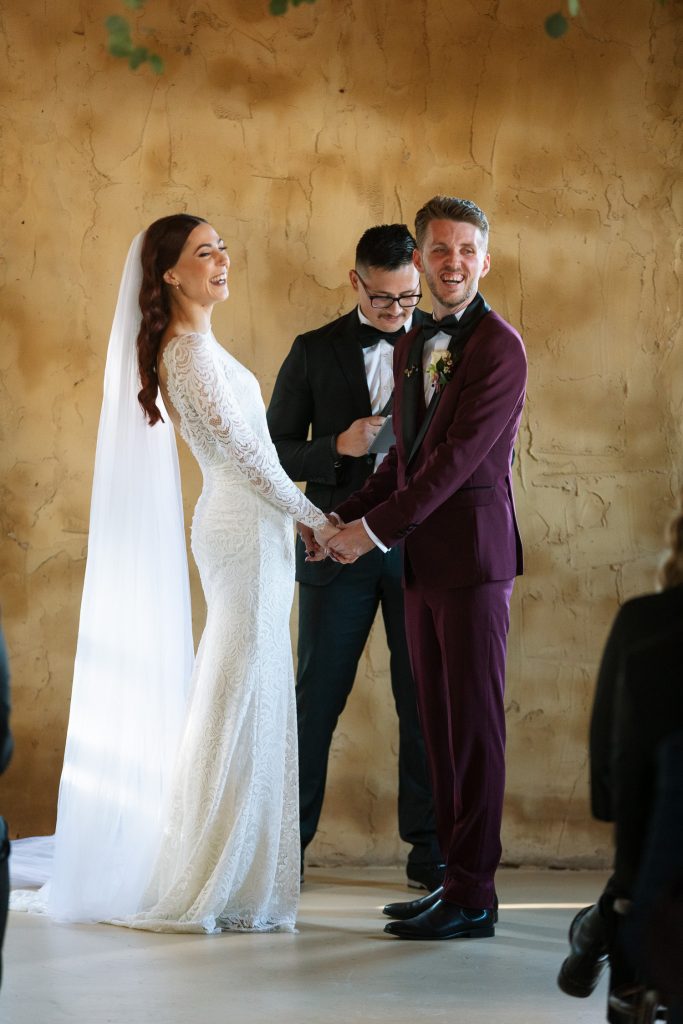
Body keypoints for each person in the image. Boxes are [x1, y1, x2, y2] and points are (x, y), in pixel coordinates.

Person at [11, 215, 336, 933]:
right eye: (203, 252)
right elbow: (249, 460)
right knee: (232, 699)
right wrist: (317, 519)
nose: (222, 259)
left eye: (222, 247)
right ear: (168, 273)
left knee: (249, 695)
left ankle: (238, 872)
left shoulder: (200, 345)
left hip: (261, 531)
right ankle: (206, 876)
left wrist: (298, 519)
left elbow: (264, 459)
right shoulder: (185, 355)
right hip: (240, 534)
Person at [314, 195, 527, 940]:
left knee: (472, 731)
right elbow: (404, 459)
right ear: (421, 259)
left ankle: (476, 898)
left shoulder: (500, 348)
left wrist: (367, 533)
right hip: (418, 566)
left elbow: (451, 465)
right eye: (439, 250)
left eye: (466, 249)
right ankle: (450, 883)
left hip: (471, 563)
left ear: (485, 259)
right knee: (436, 730)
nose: (452, 262)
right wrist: (342, 518)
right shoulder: (414, 345)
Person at [267, 224, 441, 891]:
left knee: (422, 699)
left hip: (417, 547)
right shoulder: (312, 352)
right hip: (332, 544)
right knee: (314, 701)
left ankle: (429, 856)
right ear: (354, 281)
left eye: (406, 298)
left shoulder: (443, 345)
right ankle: (287, 853)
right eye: (382, 300)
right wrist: (335, 446)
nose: (397, 312)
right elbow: (272, 451)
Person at [558, 494, 683, 1019]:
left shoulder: (641, 623)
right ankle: (600, 923)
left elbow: (611, 754)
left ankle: (600, 925)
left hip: (655, 871)